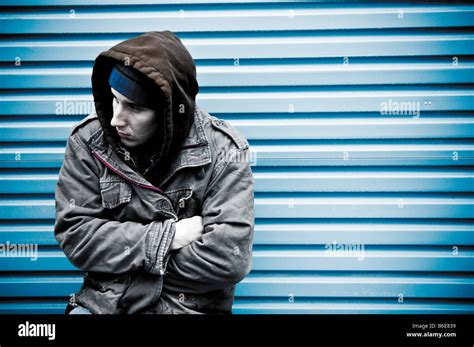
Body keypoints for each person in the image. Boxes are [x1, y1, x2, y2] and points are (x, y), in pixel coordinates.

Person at [54, 31, 255, 314]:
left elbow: (227, 258)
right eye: (114, 99)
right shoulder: (89, 142)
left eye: (134, 107)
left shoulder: (224, 150)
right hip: (105, 307)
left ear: (168, 112)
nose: (115, 119)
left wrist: (123, 260)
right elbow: (77, 235)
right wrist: (168, 237)